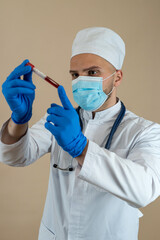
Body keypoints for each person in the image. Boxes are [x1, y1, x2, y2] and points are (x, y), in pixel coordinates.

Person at [1, 27, 160, 240]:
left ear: (117, 77)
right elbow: (15, 156)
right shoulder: (61, 120)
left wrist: (80, 147)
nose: (81, 81)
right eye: (75, 75)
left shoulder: (145, 131)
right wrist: (18, 121)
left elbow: (144, 190)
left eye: (92, 73)